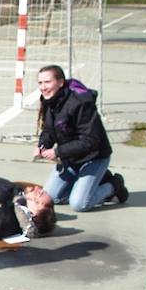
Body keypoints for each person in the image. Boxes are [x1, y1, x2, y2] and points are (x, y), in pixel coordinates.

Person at [33, 65, 126, 211]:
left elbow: (91, 141)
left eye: (47, 82)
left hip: (94, 157)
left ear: (61, 82)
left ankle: (113, 185)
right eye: (40, 83)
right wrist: (43, 145)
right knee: (50, 198)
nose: (43, 87)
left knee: (78, 204)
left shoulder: (80, 103)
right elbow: (48, 129)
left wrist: (58, 152)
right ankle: (94, 182)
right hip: (71, 158)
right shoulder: (49, 100)